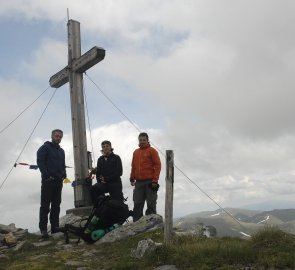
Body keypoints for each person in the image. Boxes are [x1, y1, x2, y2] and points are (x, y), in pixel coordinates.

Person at [37, 129, 67, 238]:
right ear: (52, 136)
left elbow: (63, 164)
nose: (58, 138)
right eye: (56, 136)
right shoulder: (45, 147)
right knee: (45, 206)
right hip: (48, 181)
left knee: (56, 205)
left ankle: (55, 228)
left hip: (59, 181)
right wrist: (46, 175)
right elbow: (40, 162)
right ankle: (43, 229)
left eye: (60, 137)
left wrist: (64, 174)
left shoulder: (61, 151)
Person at [130, 132, 161, 222]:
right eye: (140, 140)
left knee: (151, 204)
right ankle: (137, 224)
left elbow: (157, 165)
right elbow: (133, 166)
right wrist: (132, 178)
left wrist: (155, 180)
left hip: (150, 182)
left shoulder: (152, 151)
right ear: (138, 141)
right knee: (137, 203)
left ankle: (152, 224)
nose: (142, 141)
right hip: (138, 182)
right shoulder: (136, 152)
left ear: (148, 140)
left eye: (144, 140)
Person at [91, 140, 124, 205]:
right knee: (94, 188)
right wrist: (100, 181)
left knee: (118, 203)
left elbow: (119, 172)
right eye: (103, 147)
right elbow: (98, 173)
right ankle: (98, 208)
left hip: (115, 183)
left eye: (107, 146)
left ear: (110, 147)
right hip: (104, 184)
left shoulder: (116, 157)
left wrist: (107, 179)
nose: (105, 148)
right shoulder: (100, 159)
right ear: (102, 148)